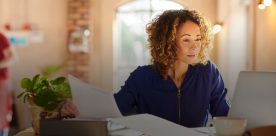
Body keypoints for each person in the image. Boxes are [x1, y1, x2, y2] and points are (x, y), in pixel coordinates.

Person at [62, 9, 230, 128]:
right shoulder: (142, 77)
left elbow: (224, 114)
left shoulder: (208, 72)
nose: (194, 46)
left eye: (198, 39)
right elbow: (114, 109)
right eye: (186, 40)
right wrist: (78, 108)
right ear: (168, 42)